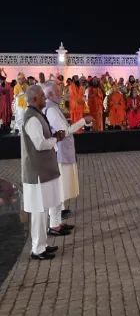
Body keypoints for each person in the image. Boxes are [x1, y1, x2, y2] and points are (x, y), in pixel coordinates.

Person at [20, 85, 66, 260]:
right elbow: (39, 144)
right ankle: (37, 249)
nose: (44, 98)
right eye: (41, 95)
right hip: (36, 172)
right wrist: (56, 138)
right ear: (33, 99)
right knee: (39, 212)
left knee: (43, 208)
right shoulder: (31, 118)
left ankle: (43, 245)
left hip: (42, 171)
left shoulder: (37, 114)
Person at [43, 83, 92, 234]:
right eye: (58, 91)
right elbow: (65, 131)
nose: (61, 93)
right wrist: (84, 121)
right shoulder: (50, 109)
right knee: (58, 189)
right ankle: (54, 225)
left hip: (63, 152)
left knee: (60, 189)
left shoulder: (54, 107)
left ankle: (57, 222)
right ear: (50, 95)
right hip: (59, 153)